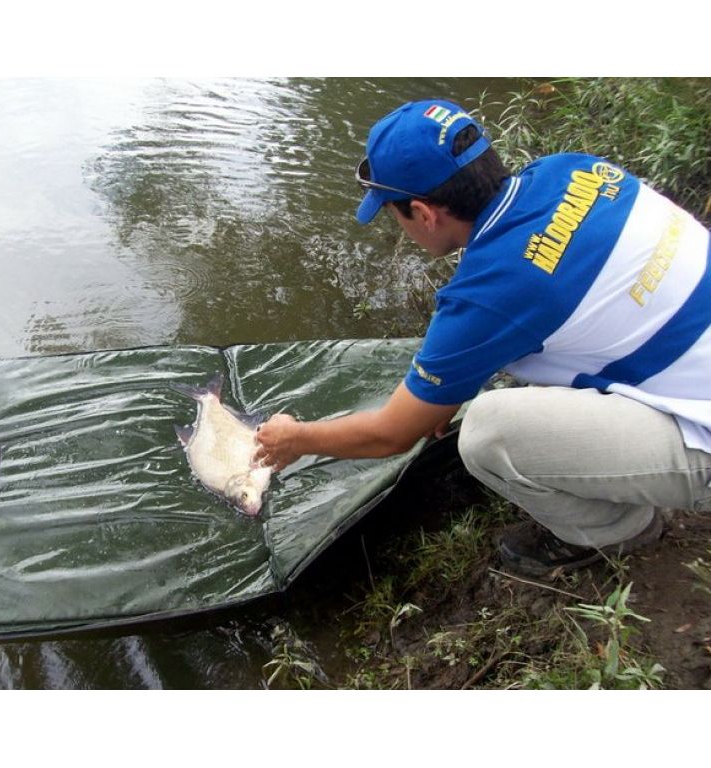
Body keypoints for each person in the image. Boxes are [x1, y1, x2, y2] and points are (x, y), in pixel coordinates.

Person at [254, 98, 711, 577]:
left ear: (424, 213)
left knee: (488, 435)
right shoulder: (571, 169)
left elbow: (392, 434)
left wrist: (298, 439)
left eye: (394, 215)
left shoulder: (490, 293)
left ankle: (621, 530)